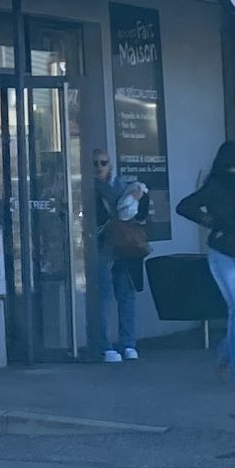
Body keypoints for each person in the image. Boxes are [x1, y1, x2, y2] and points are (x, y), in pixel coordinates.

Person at [176, 140, 235, 392]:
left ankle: (226, 354)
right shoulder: (216, 186)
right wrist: (211, 222)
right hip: (225, 252)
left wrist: (211, 221)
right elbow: (185, 206)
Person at [91, 149, 149, 363]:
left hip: (124, 247)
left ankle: (128, 344)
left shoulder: (123, 186)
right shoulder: (87, 188)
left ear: (110, 165)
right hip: (102, 246)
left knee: (126, 295)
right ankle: (105, 345)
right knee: (104, 297)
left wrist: (138, 197)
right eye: (95, 163)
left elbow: (140, 215)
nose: (99, 167)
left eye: (103, 163)